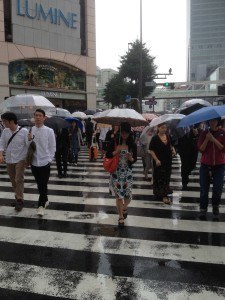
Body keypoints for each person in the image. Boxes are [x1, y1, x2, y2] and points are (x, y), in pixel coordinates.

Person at [105, 122, 137, 227]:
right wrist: (116, 152)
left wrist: (131, 159)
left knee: (128, 196)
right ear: (120, 132)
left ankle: (124, 207)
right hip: (116, 173)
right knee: (119, 196)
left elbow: (134, 159)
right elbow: (108, 154)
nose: (124, 135)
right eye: (123, 132)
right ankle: (120, 216)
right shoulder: (114, 142)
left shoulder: (132, 144)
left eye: (126, 133)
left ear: (129, 133)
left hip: (127, 173)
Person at [28, 109, 56, 217]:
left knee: (43, 184)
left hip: (45, 162)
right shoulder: (30, 130)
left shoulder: (49, 131)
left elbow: (52, 146)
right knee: (40, 184)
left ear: (44, 118)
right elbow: (28, 147)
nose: (38, 117)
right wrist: (29, 140)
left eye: (40, 115)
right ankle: (46, 199)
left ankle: (40, 206)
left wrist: (49, 159)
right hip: (34, 162)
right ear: (34, 117)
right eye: (36, 115)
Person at [0, 112, 29, 211]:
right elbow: (2, 144)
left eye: (4, 121)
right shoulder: (5, 131)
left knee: (18, 179)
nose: (3, 123)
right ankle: (18, 197)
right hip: (9, 159)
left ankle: (20, 200)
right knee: (13, 181)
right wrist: (1, 155)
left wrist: (27, 160)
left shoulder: (24, 131)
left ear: (11, 121)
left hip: (20, 159)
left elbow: (28, 145)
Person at [198, 118, 225, 220]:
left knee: (218, 189)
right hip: (205, 165)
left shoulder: (222, 133)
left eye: (214, 121)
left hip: (219, 165)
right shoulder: (204, 133)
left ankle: (215, 205)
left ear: (218, 122)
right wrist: (206, 139)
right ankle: (203, 209)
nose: (212, 122)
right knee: (204, 189)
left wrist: (213, 139)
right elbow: (201, 149)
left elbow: (223, 149)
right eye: (210, 121)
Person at [149, 123, 176, 205]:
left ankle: (164, 192)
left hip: (167, 161)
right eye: (162, 128)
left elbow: (171, 146)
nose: (164, 129)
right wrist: (156, 159)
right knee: (160, 178)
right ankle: (164, 196)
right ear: (158, 128)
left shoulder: (168, 136)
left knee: (166, 177)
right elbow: (151, 150)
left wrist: (173, 150)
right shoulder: (155, 138)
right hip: (159, 162)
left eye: (165, 128)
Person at [177, 125, 200, 190]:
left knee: (192, 164)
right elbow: (178, 137)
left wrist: (196, 135)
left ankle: (187, 173)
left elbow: (198, 139)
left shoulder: (195, 128)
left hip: (193, 150)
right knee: (184, 166)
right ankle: (184, 182)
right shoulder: (180, 127)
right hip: (183, 150)